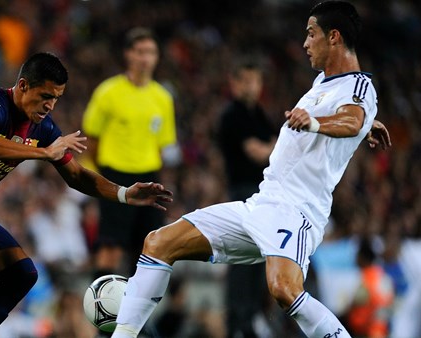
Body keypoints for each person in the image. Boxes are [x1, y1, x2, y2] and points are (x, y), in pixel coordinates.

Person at [111, 2, 392, 338]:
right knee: (158, 242)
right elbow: (353, 117)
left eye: (311, 34)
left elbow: (351, 117)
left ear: (333, 37)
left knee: (284, 290)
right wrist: (364, 124)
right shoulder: (324, 84)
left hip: (297, 211)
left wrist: (346, 123)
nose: (305, 43)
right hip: (260, 204)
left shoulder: (358, 87)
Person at [0, 52, 173, 338]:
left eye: (56, 98)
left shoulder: (43, 127)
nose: (50, 105)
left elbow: (76, 175)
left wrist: (123, 193)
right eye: (45, 95)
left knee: (22, 274)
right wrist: (44, 153)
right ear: (23, 86)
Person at [81, 27, 177, 277]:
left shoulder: (163, 98)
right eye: (140, 51)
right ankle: (100, 309)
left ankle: (138, 311)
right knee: (110, 246)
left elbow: (161, 145)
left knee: (148, 248)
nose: (146, 57)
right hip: (115, 176)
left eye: (151, 52)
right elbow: (92, 138)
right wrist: (101, 178)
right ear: (128, 55)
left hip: (149, 175)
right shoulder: (108, 92)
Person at [215, 61, 276, 338]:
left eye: (257, 80)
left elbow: (272, 147)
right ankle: (237, 323)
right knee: (241, 260)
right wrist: (281, 143)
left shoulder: (259, 114)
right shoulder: (233, 115)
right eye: (248, 80)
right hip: (242, 193)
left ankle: (251, 320)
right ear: (236, 83)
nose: (253, 86)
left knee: (257, 260)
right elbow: (259, 152)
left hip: (263, 194)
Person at [345, 237, 394, 338]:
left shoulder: (361, 278)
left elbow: (354, 302)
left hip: (364, 330)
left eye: (357, 255)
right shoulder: (383, 276)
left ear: (363, 257)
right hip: (381, 330)